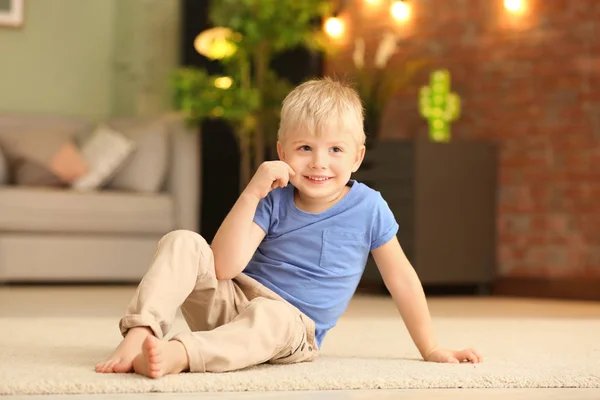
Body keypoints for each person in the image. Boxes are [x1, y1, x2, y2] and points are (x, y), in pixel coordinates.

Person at [95, 77, 482, 379]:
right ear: (282, 153)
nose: (318, 163)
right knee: (181, 241)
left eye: (335, 150)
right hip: (233, 305)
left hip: (293, 328)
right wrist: (251, 193)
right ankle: (141, 332)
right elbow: (223, 269)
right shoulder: (274, 198)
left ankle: (182, 354)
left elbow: (402, 280)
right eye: (304, 149)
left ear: (358, 156)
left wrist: (430, 348)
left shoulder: (369, 207)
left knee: (273, 318)